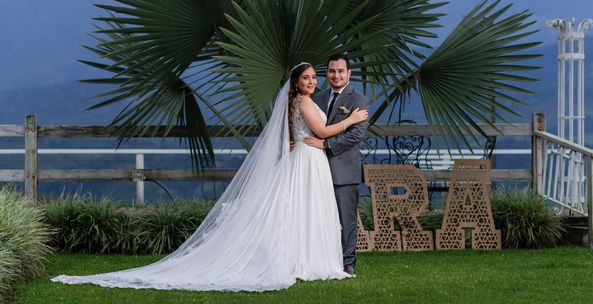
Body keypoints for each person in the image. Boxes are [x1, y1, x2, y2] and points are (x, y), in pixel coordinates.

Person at [51, 62, 367, 292]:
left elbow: (302, 131)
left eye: (314, 77)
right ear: (297, 82)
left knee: (303, 210)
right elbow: (323, 130)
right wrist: (350, 120)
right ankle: (304, 259)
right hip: (309, 158)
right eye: (307, 77)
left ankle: (305, 256)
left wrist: (316, 136)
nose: (313, 81)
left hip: (309, 158)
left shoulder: (300, 102)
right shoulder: (305, 101)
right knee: (306, 210)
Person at [304, 54, 369, 276]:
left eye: (340, 71)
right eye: (332, 71)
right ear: (327, 73)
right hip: (316, 169)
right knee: (319, 216)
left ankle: (348, 263)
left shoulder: (358, 100)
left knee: (346, 218)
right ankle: (321, 259)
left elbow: (355, 135)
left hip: (344, 169)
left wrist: (326, 144)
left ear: (349, 73)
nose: (336, 75)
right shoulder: (318, 98)